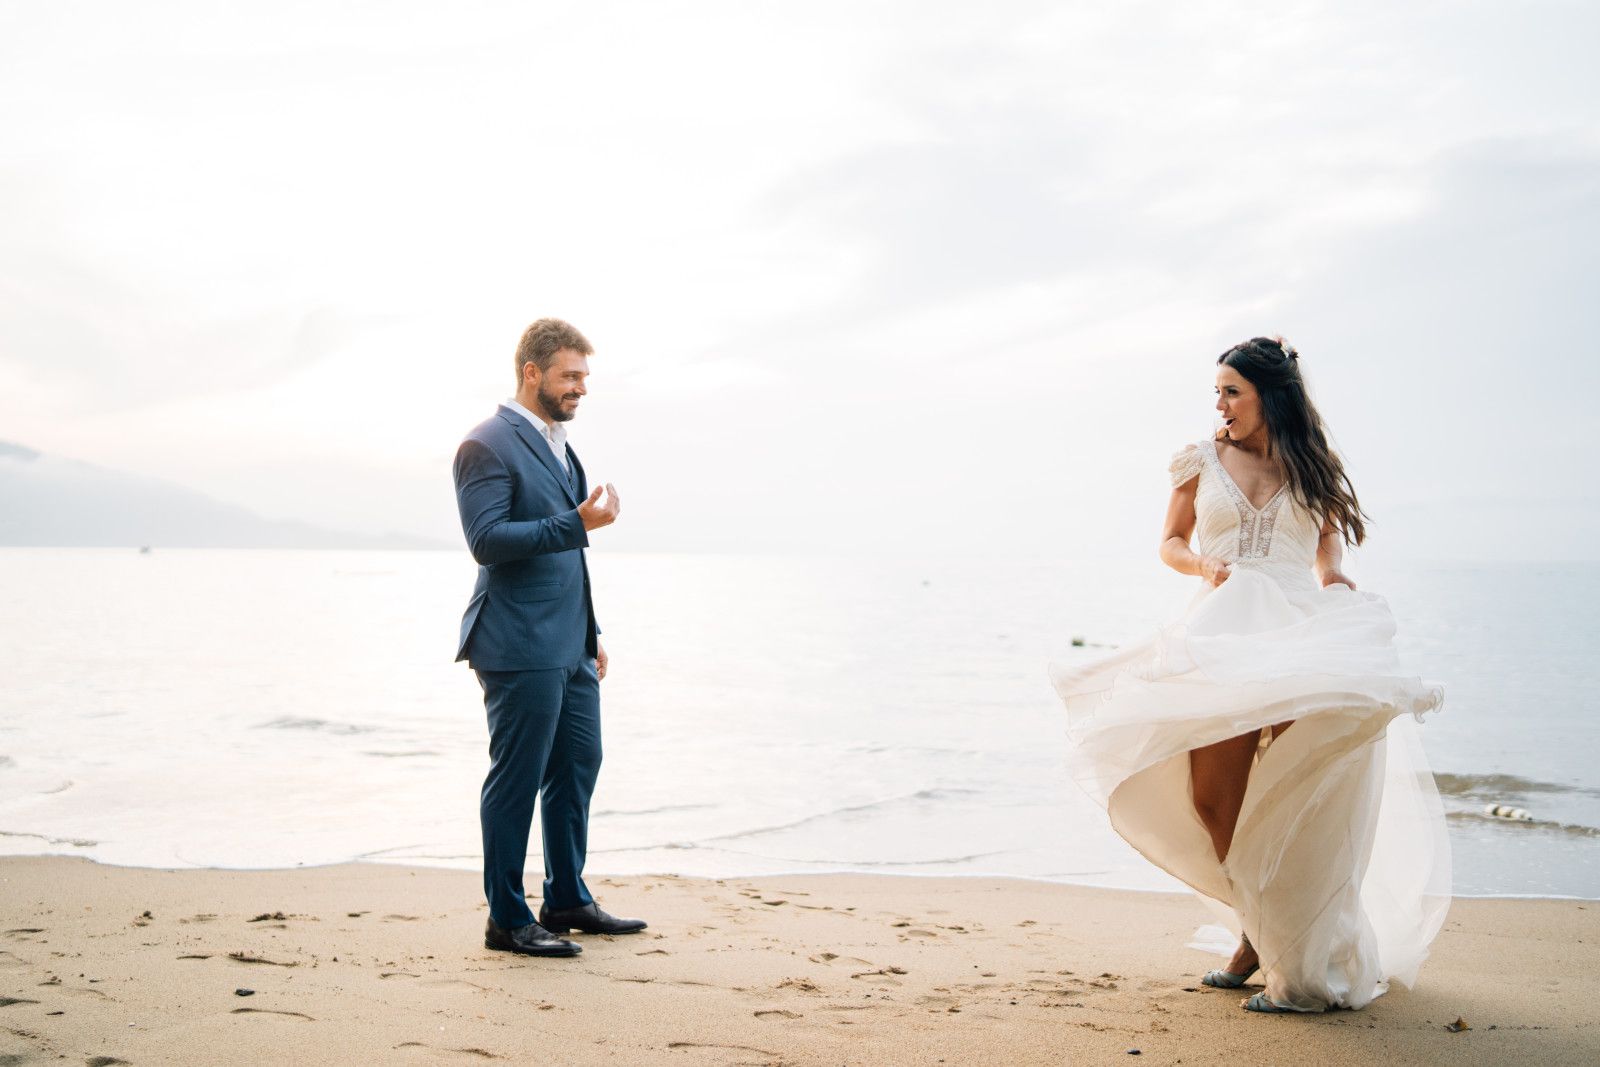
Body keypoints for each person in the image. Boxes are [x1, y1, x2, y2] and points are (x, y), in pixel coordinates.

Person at [1050, 337, 1450, 1012]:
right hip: (1223, 630)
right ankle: (1255, 928)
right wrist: (1204, 565)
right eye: (1217, 392)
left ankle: (1277, 946)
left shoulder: (1313, 463)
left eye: (1232, 391)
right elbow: (1170, 543)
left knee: (1296, 789)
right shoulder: (1198, 459)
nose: (1221, 405)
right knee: (1213, 800)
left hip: (1298, 633)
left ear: (1271, 395)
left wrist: (1332, 575)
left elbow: (1326, 537)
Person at [452, 317, 646, 958]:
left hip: (570, 643)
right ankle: (506, 919)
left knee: (578, 765)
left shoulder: (561, 444)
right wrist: (577, 522)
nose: (581, 388)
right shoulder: (486, 444)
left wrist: (591, 631)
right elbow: (487, 540)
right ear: (531, 373)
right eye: (570, 376)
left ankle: (565, 899)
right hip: (517, 641)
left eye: (584, 377)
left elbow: (568, 556)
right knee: (517, 778)